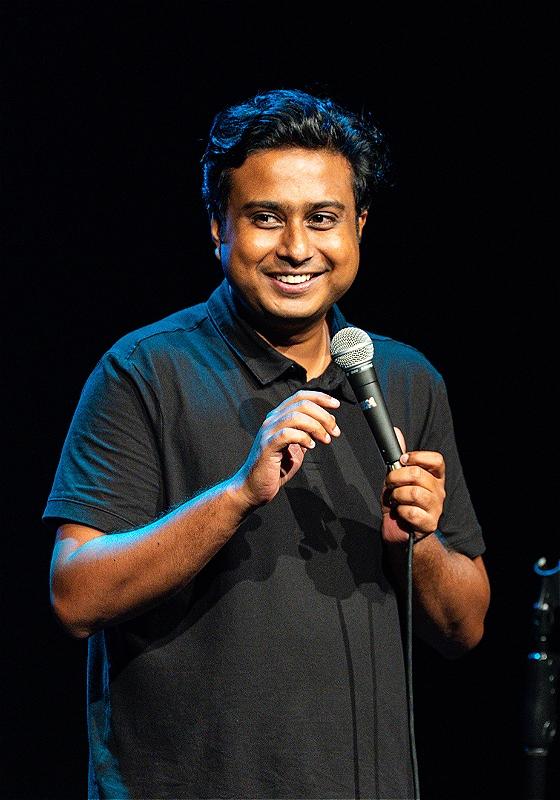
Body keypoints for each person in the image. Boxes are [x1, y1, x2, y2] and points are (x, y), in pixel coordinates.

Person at [44, 88, 490, 800]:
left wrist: (415, 545)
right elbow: (74, 596)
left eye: (323, 219)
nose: (296, 247)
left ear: (359, 227)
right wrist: (238, 495)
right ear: (218, 227)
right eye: (264, 218)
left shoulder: (406, 378)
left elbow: (465, 625)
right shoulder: (143, 370)